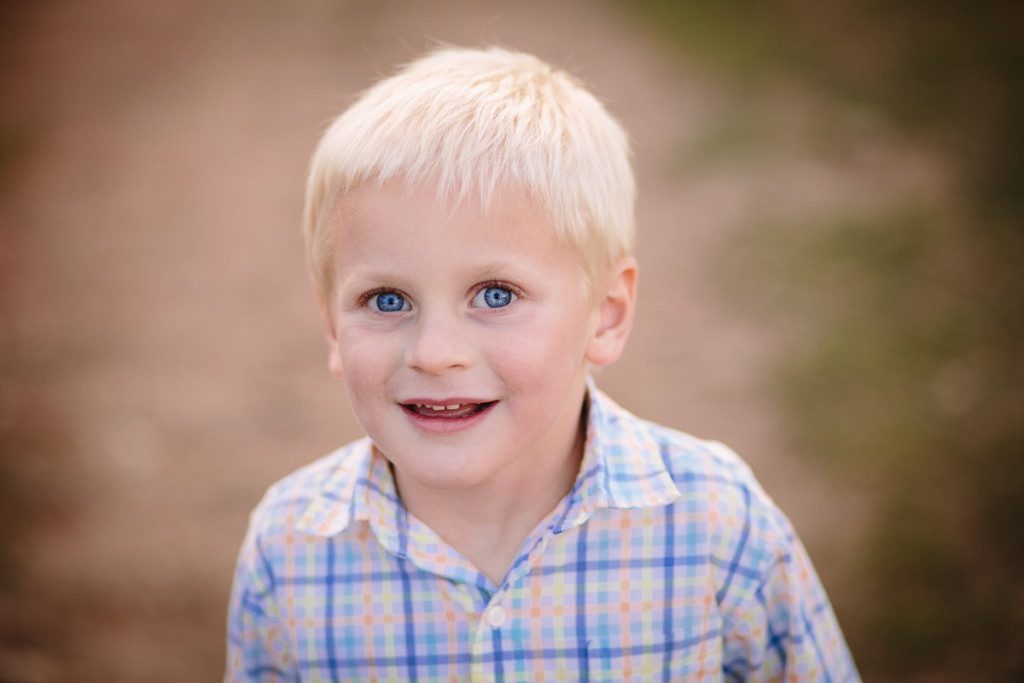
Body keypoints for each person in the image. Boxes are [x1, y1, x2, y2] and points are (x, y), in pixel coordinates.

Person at [225, 46, 859, 682]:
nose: (434, 353)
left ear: (606, 314)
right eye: (386, 300)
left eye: (495, 295)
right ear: (333, 324)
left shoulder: (716, 525)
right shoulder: (289, 550)